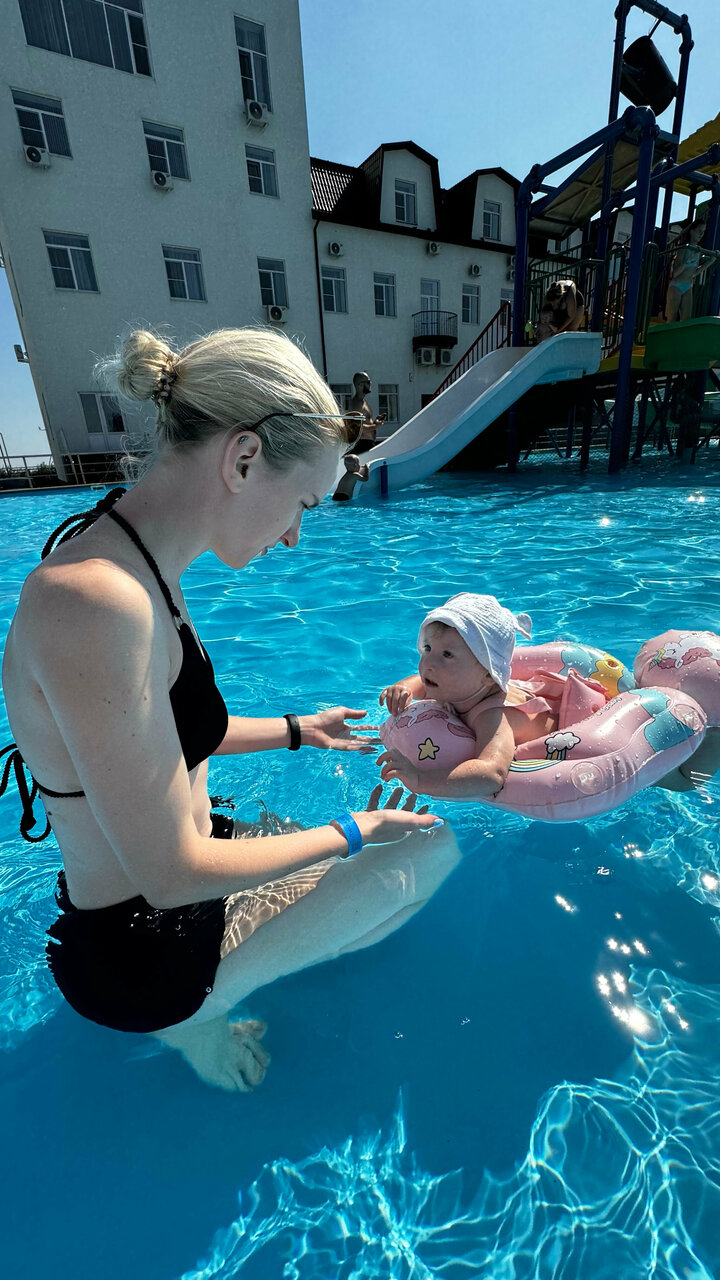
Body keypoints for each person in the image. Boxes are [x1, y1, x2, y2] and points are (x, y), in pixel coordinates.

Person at [0, 326, 459, 1092]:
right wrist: (354, 830)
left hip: (179, 895)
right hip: (145, 949)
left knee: (387, 862)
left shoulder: (133, 562)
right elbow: (171, 873)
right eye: (302, 503)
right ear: (244, 459)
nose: (295, 536)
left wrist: (298, 731)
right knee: (427, 852)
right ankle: (193, 1019)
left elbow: (163, 738)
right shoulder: (97, 605)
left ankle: (240, 970)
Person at [376, 593, 607, 801]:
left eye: (447, 654)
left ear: (488, 674)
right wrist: (402, 688)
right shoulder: (459, 685)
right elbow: (422, 683)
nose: (428, 663)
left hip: (570, 726)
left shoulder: (492, 717)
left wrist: (421, 780)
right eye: (428, 648)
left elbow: (491, 774)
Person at [348, 371, 386, 454]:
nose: (370, 384)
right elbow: (356, 427)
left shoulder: (363, 402)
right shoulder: (356, 404)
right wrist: (375, 426)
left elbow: (365, 422)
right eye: (368, 382)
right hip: (361, 446)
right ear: (360, 385)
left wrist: (375, 422)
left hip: (367, 444)